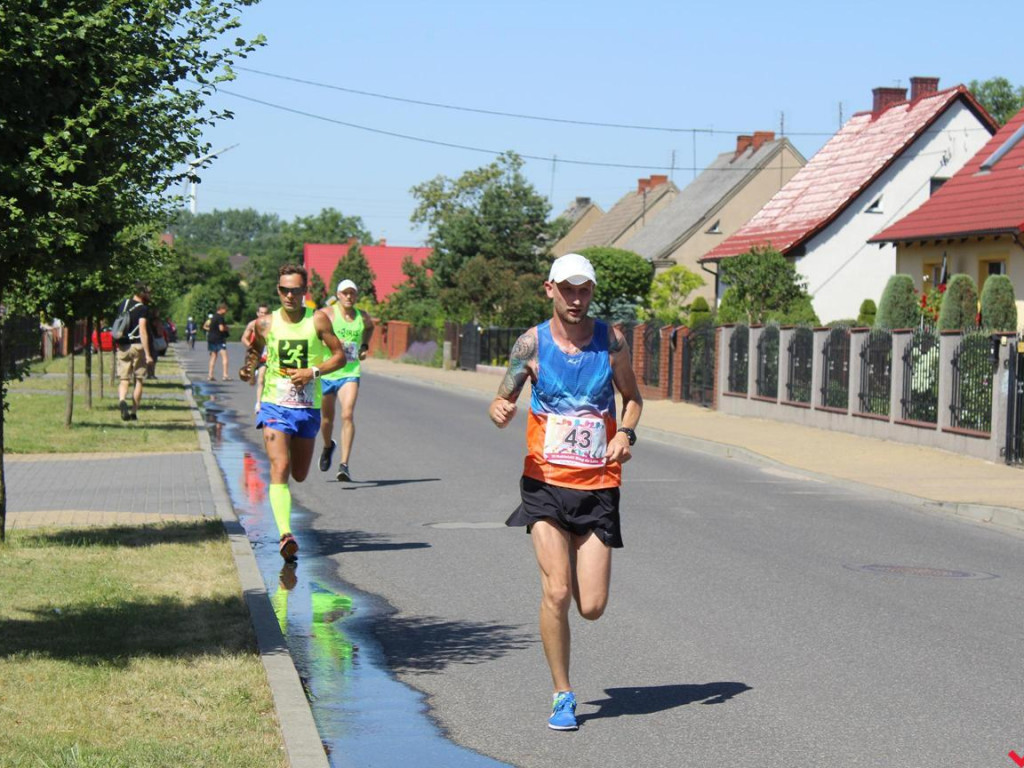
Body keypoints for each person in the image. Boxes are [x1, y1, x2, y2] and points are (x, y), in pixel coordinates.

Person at [488, 252, 643, 731]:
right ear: (549, 288)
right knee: (556, 592)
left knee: (591, 607)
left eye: (585, 290)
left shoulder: (610, 341)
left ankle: (575, 565)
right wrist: (499, 407)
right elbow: (503, 395)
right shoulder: (530, 343)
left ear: (592, 292)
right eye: (568, 289)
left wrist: (625, 434)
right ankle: (562, 694)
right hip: (544, 484)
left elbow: (633, 399)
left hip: (598, 486)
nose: (577, 299)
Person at [240, 264, 346, 561]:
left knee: (299, 474)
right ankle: (286, 534)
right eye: (284, 290)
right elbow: (255, 348)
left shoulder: (318, 320)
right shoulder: (265, 323)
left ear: (304, 292)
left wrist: (313, 371)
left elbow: (340, 357)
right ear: (278, 290)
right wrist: (248, 367)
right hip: (274, 405)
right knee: (280, 468)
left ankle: (324, 448)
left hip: (307, 407)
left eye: (295, 290)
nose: (289, 295)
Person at [316, 279, 375, 481]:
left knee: (347, 414)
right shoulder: (327, 314)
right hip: (328, 372)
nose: (349, 297)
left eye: (352, 293)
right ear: (338, 295)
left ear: (355, 296)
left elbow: (370, 327)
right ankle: (327, 446)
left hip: (350, 371)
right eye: (345, 293)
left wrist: (364, 347)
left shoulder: (362, 316)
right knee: (326, 420)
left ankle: (344, 465)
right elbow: (314, 332)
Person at [115, 282, 155, 422]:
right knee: (139, 379)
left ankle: (121, 400)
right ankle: (133, 413)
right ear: (144, 294)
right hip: (137, 345)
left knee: (124, 378)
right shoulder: (143, 309)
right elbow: (142, 330)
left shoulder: (123, 304)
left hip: (123, 345)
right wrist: (148, 354)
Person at [242, 304, 271, 415]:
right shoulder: (252, 324)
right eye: (261, 313)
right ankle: (253, 374)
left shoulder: (270, 325)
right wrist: (250, 346)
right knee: (252, 380)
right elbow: (244, 338)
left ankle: (258, 403)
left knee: (261, 379)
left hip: (264, 356)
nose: (263, 315)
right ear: (257, 313)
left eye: (265, 313)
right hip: (254, 355)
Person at [204, 303, 230, 381]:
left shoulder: (213, 317)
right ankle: (225, 375)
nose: (226, 312)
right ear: (221, 309)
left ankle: (210, 375)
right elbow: (221, 328)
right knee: (224, 357)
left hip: (211, 339)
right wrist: (227, 328)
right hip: (219, 339)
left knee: (213, 357)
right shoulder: (220, 318)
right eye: (225, 310)